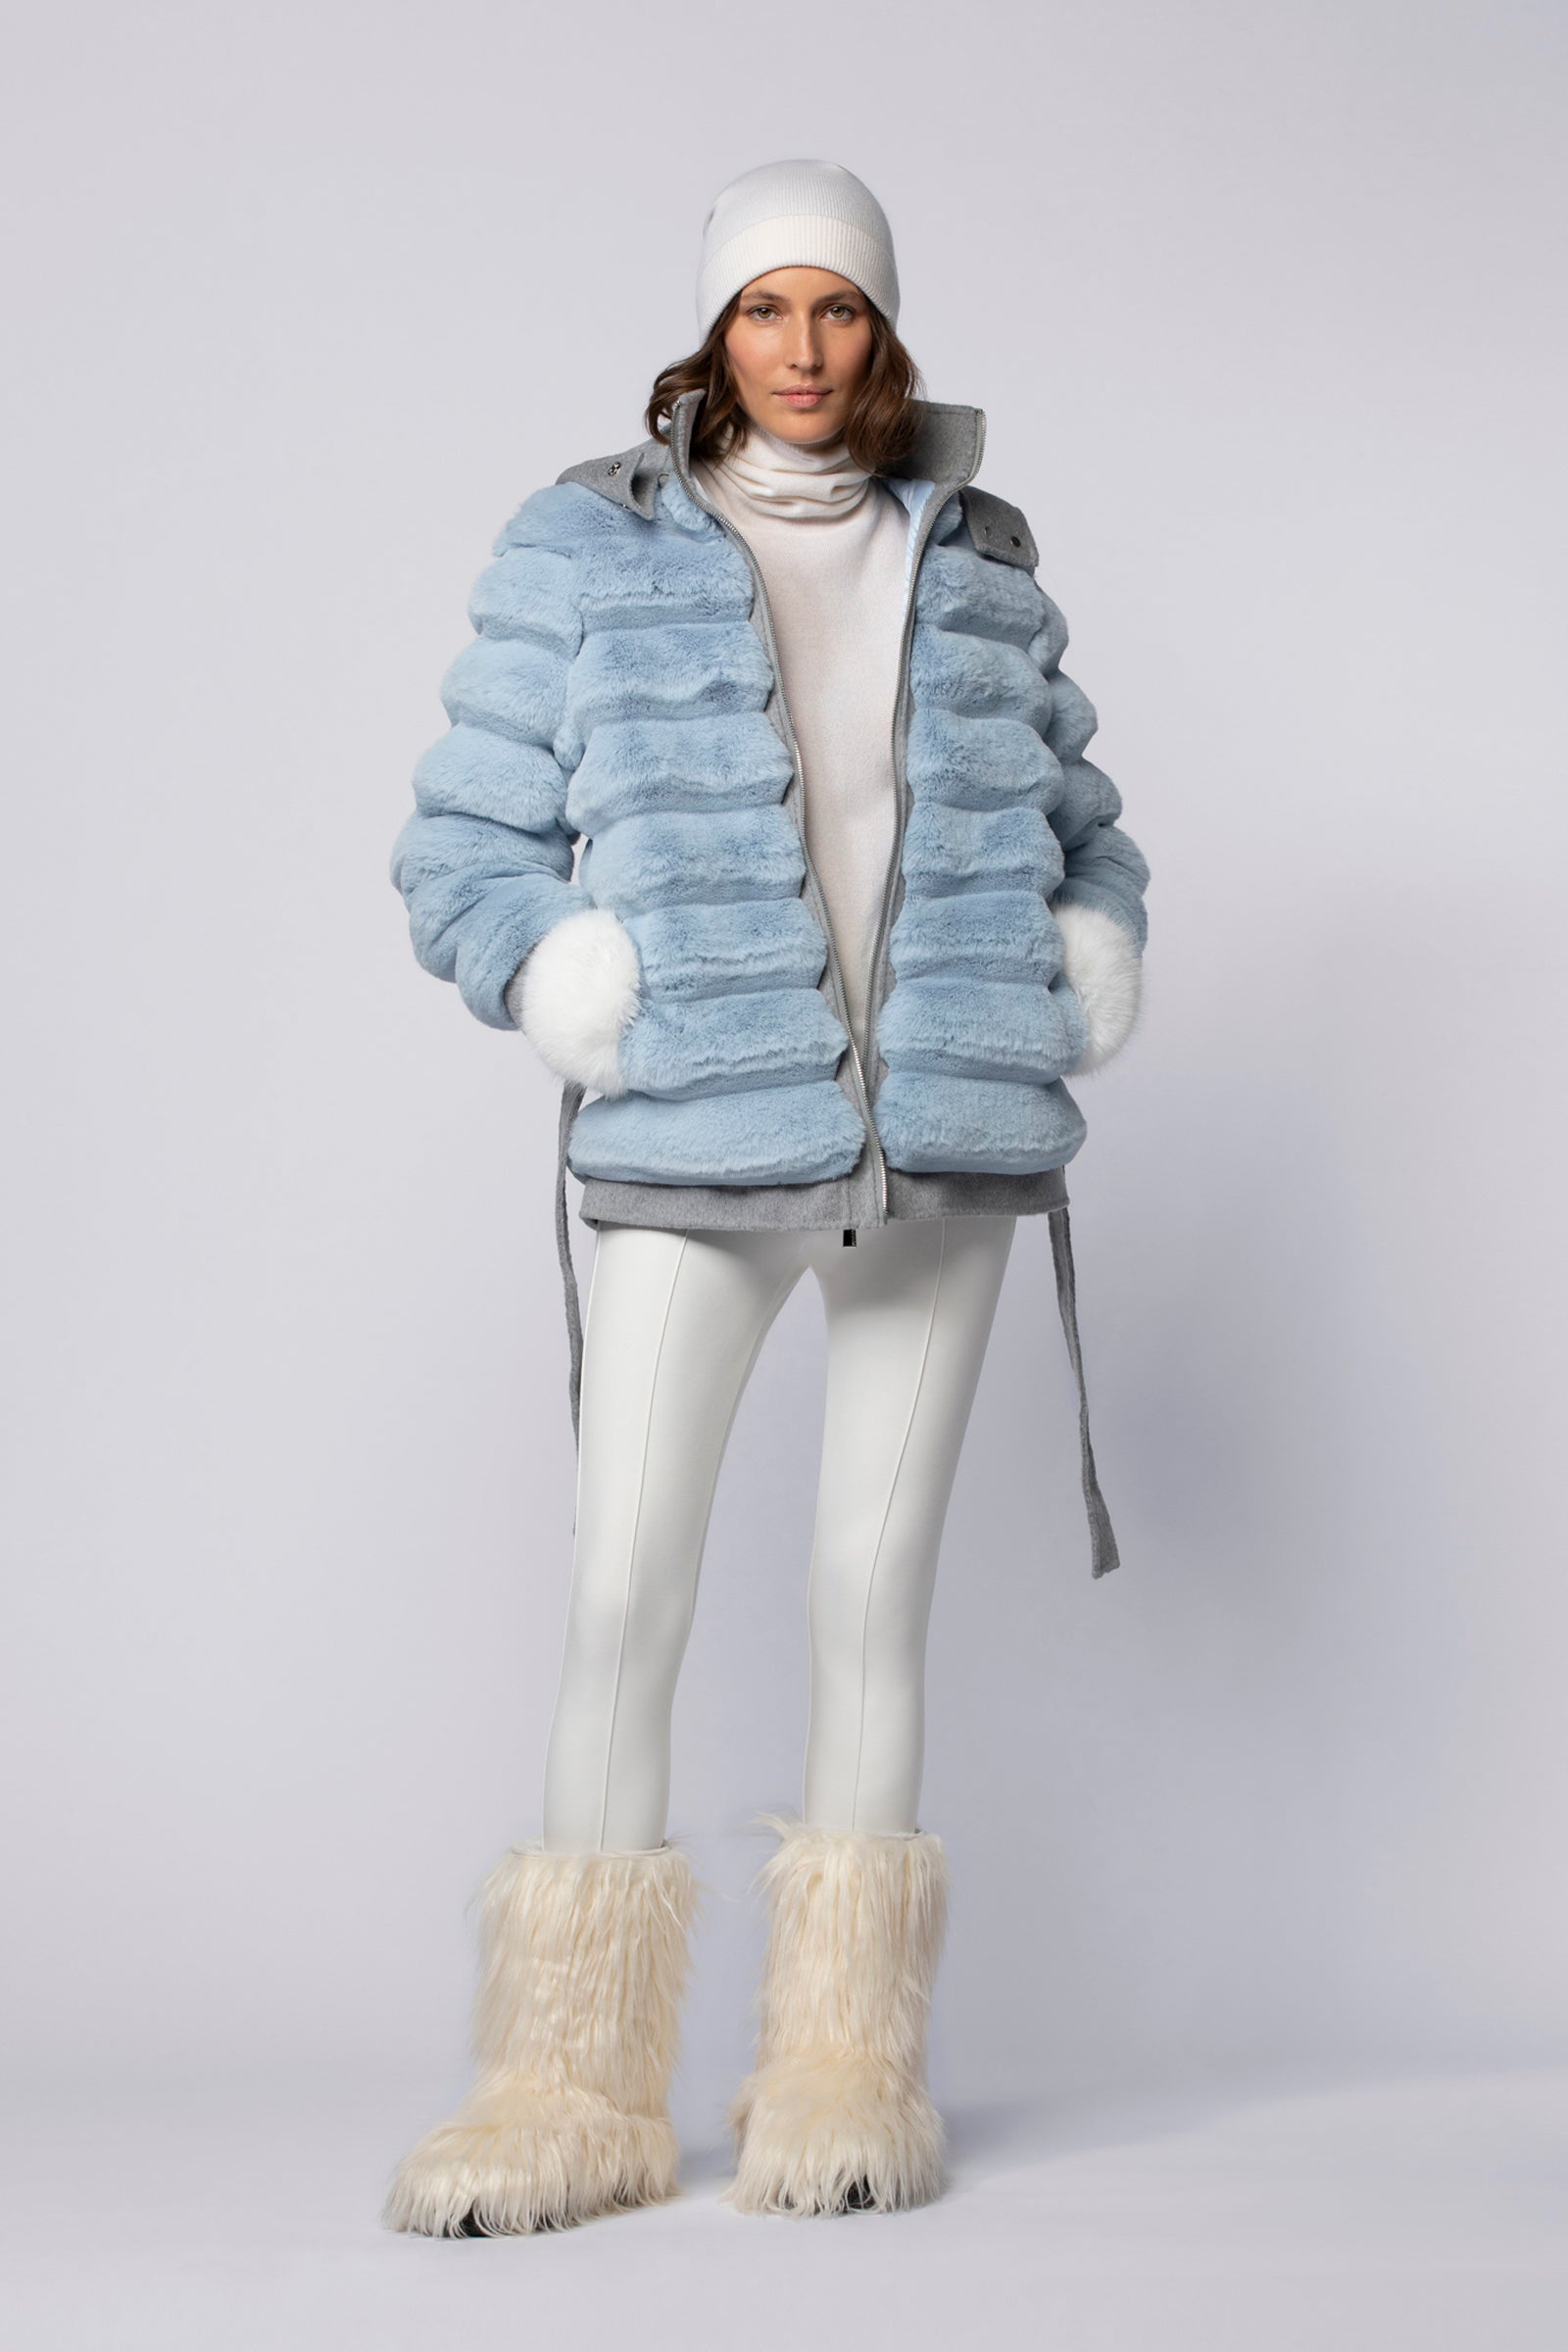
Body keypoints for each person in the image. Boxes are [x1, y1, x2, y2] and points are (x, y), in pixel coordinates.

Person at [382, 159, 1152, 2233]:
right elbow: (461, 842)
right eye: (762, 308)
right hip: (692, 1142)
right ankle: (563, 2090)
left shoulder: (979, 555)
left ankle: (843, 2075)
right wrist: (556, 968)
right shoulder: (587, 543)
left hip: (944, 1147)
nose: (801, 349)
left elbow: (1083, 824)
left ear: (881, 332)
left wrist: (1083, 950)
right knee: (623, 1597)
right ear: (710, 335)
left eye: (838, 310)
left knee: (867, 1607)